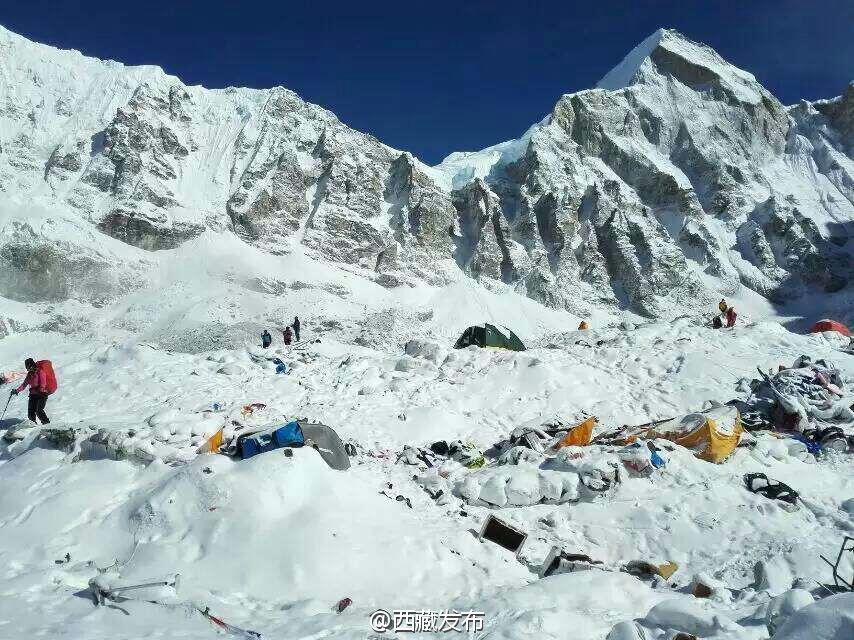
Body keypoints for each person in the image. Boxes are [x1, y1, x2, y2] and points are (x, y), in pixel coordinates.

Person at [11, 358, 53, 424]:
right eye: (27, 367)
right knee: (30, 412)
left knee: (39, 411)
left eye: (28, 367)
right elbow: (24, 384)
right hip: (33, 395)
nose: (28, 369)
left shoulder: (40, 372)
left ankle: (46, 424)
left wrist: (40, 390)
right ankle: (32, 425)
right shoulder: (29, 374)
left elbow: (43, 383)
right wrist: (17, 390)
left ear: (32, 365)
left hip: (42, 394)